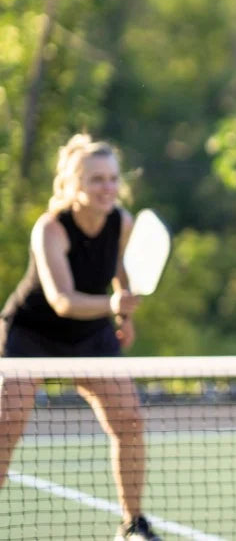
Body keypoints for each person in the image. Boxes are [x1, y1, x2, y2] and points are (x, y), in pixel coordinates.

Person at [0, 133, 160, 541]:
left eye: (112, 179)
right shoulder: (51, 228)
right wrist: (112, 305)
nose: (107, 188)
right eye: (96, 180)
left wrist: (124, 309)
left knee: (129, 420)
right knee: (7, 423)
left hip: (90, 337)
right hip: (32, 335)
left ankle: (133, 523)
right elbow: (62, 300)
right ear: (74, 186)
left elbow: (119, 267)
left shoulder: (122, 221)